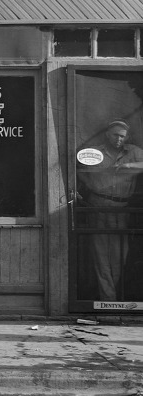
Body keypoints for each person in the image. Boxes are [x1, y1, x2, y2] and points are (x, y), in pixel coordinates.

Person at [76, 119, 143, 300]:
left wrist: (129, 166)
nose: (118, 139)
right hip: (98, 207)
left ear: (127, 137)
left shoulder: (134, 152)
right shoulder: (95, 152)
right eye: (115, 135)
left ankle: (113, 298)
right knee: (100, 256)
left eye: (122, 136)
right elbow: (79, 171)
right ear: (107, 134)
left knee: (120, 254)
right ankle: (108, 299)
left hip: (122, 210)